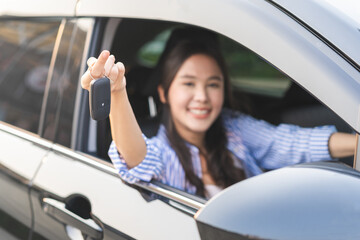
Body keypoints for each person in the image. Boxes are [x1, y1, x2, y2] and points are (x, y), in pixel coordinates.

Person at [81, 27, 356, 199]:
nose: (202, 97)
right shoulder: (164, 153)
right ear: (163, 92)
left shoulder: (232, 128)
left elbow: (290, 142)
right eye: (188, 83)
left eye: (213, 84)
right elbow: (136, 159)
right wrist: (117, 93)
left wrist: (356, 143)